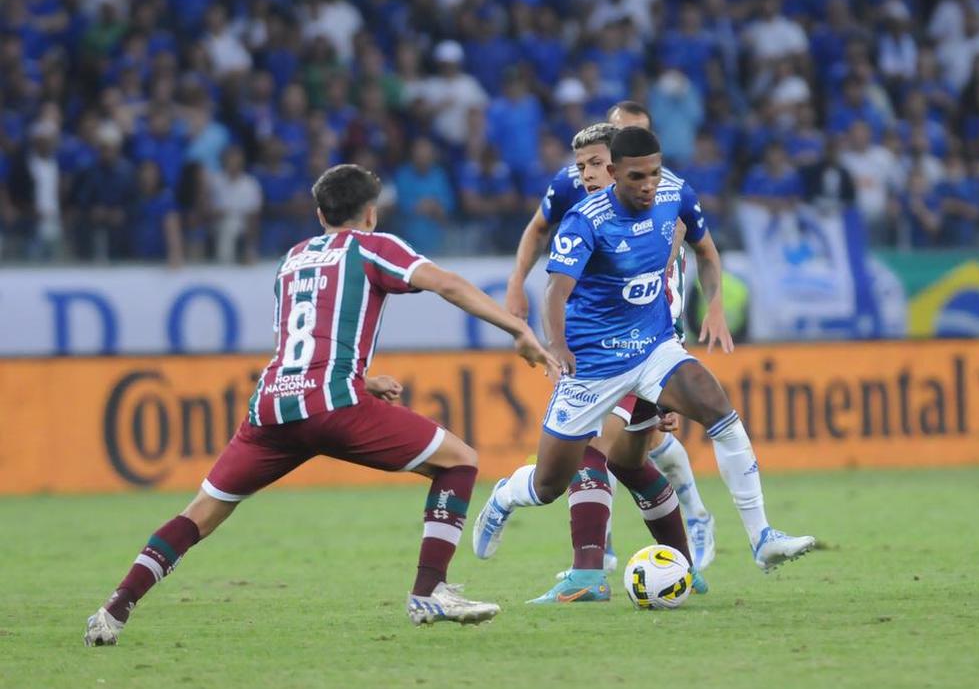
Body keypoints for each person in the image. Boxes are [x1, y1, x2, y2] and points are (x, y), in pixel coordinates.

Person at [84, 163, 559, 645]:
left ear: (319, 214)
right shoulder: (374, 246)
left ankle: (115, 609)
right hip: (334, 407)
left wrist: (363, 378)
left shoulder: (290, 261)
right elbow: (448, 285)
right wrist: (518, 329)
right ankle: (429, 588)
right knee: (459, 461)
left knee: (201, 512)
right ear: (370, 214)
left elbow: (298, 340)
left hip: (271, 408)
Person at [474, 128, 815, 599]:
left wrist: (713, 304)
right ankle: (504, 497)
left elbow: (705, 250)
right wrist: (558, 345)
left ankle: (762, 537)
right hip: (593, 364)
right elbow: (556, 291)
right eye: (637, 176)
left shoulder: (676, 193)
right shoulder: (585, 220)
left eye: (654, 172)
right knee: (550, 482)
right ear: (613, 173)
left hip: (654, 348)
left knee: (718, 407)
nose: (649, 184)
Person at [503, 102, 718, 576]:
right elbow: (539, 229)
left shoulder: (666, 191)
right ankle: (653, 545)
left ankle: (596, 565)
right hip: (596, 343)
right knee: (626, 459)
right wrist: (518, 282)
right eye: (597, 160)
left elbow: (688, 253)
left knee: (605, 450)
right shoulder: (571, 186)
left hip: (650, 336)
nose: (603, 168)